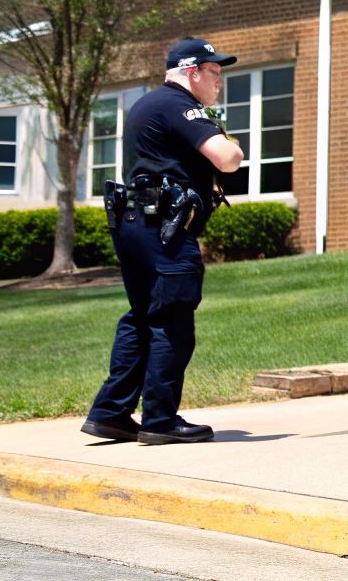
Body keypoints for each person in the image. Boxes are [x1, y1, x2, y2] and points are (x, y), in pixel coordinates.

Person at [82, 38, 243, 445]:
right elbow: (226, 159)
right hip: (166, 230)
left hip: (136, 219)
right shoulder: (179, 105)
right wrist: (234, 144)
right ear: (193, 73)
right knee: (172, 320)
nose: (219, 82)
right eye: (215, 73)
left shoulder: (145, 104)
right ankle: (160, 420)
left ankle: (111, 413)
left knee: (141, 316)